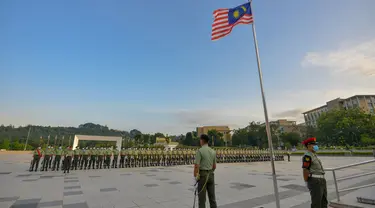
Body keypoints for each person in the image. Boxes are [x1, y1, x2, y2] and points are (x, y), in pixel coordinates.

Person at [302, 137, 327, 208]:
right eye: (314, 144)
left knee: (324, 202)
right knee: (316, 203)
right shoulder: (307, 156)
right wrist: (306, 181)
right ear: (309, 146)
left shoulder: (314, 155)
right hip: (315, 181)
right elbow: (305, 170)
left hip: (321, 180)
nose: (316, 146)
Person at [194, 134, 217, 208]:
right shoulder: (213, 151)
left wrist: (196, 176)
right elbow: (214, 166)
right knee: (212, 197)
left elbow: (196, 166)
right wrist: (210, 171)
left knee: (202, 199)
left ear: (202, 140)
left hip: (203, 176)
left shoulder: (200, 151)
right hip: (211, 175)